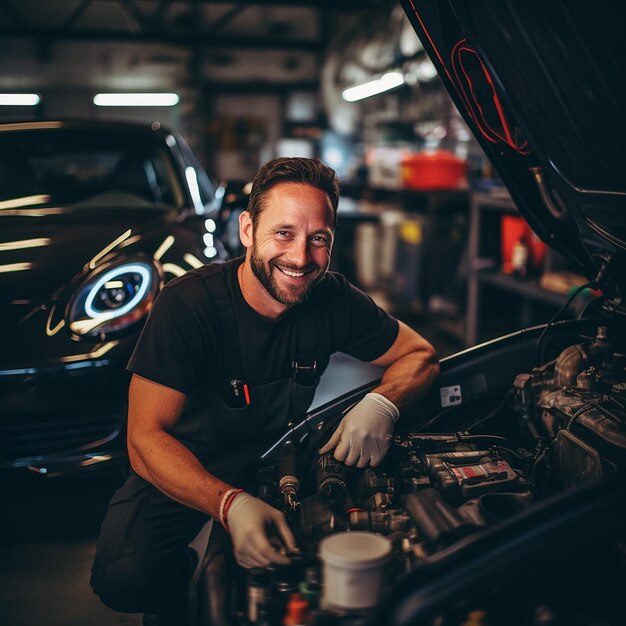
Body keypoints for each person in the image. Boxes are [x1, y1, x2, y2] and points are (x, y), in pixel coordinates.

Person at [91, 157, 439, 622]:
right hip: (187, 456)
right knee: (125, 578)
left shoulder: (332, 299)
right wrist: (228, 504)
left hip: (277, 454)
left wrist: (382, 403)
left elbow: (421, 355)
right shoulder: (188, 305)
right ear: (248, 229)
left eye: (319, 239)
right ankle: (180, 585)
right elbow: (144, 439)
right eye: (284, 233)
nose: (300, 257)